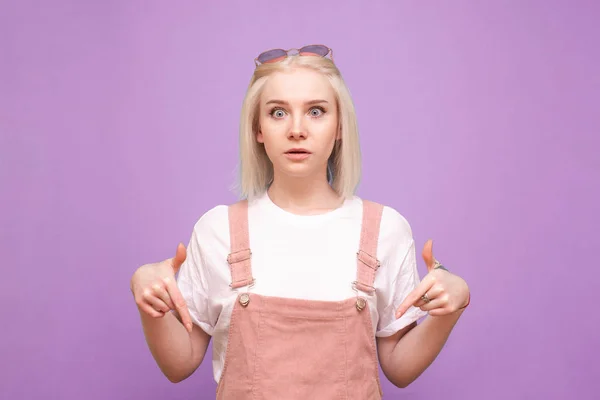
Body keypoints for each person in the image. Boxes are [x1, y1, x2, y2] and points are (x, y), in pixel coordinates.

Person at [130, 44, 470, 399]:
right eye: (277, 113)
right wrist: (148, 301)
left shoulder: (386, 230)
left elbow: (399, 369)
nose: (296, 129)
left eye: (316, 111)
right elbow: (179, 364)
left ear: (340, 126)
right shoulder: (217, 231)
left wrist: (450, 310)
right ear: (257, 129)